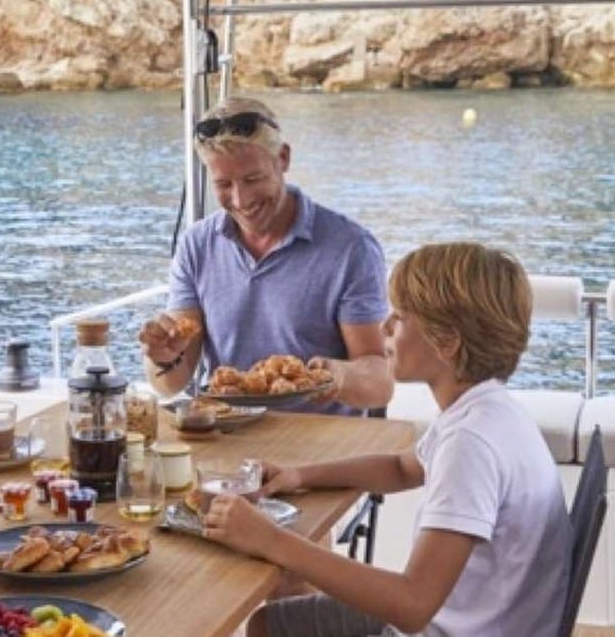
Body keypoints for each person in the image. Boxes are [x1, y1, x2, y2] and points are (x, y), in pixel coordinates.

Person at [202, 242, 571, 636]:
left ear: (447, 342)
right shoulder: (489, 410)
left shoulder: (470, 444)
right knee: (274, 621)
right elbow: (400, 468)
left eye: (400, 317)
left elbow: (412, 606)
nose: (384, 327)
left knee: (273, 625)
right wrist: (298, 475)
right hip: (484, 623)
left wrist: (270, 540)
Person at [138, 96, 392, 413]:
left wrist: (338, 376)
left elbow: (380, 384)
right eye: (223, 184)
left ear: (283, 158)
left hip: (321, 446)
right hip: (228, 436)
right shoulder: (197, 245)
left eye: (253, 179)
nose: (241, 200)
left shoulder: (351, 248)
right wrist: (161, 357)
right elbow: (170, 383)